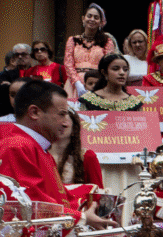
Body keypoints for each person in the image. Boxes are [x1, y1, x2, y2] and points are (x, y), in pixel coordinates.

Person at [0, 79, 114, 228]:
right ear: (34, 113)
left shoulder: (39, 148)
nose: (65, 122)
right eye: (61, 114)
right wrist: (80, 217)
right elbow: (30, 204)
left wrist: (87, 192)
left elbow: (55, 198)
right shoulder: (17, 146)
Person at [63, 4, 117, 97]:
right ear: (83, 19)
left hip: (98, 82)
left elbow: (109, 64)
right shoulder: (72, 40)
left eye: (96, 17)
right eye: (89, 16)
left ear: (101, 22)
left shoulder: (107, 41)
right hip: (74, 83)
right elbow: (68, 64)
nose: (92, 19)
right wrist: (77, 83)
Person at [51, 110, 103, 188]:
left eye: (64, 126)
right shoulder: (39, 153)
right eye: (55, 124)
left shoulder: (87, 156)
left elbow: (97, 192)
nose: (59, 128)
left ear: (74, 129)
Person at [79, 53, 145, 111]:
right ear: (104, 72)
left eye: (125, 70)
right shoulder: (88, 100)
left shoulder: (134, 103)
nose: (122, 73)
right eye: (115, 69)